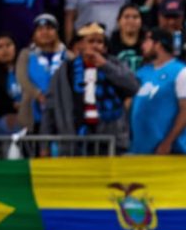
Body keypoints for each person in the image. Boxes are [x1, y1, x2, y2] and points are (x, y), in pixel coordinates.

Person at [42, 23, 139, 152]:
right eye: (91, 41)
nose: (95, 45)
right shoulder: (65, 70)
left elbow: (133, 86)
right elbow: (51, 106)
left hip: (111, 139)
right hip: (74, 139)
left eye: (99, 42)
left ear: (104, 47)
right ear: (81, 45)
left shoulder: (114, 64)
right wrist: (44, 145)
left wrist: (105, 65)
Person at [130, 27, 186, 155]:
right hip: (139, 151)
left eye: (147, 41)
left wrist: (168, 142)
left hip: (168, 151)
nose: (143, 45)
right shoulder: (142, 72)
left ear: (158, 44)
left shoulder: (183, 73)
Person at [16, 14, 69, 132]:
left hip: (61, 108)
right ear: (34, 33)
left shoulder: (68, 55)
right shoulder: (26, 54)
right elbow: (22, 78)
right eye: (40, 29)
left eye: (49, 28)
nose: (45, 32)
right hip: (32, 111)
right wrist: (38, 95)